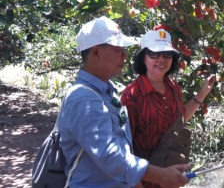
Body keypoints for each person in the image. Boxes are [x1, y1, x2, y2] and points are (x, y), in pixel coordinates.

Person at [58, 16, 189, 188]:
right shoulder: (83, 99)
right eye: (118, 50)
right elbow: (110, 155)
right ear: (96, 52)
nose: (124, 56)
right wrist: (160, 175)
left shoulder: (105, 93)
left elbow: (122, 147)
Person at [121, 28, 216, 188]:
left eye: (167, 54)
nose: (161, 59)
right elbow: (124, 146)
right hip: (142, 182)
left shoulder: (174, 88)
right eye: (154, 54)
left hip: (169, 178)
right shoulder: (132, 95)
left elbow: (179, 121)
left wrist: (203, 93)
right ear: (143, 57)